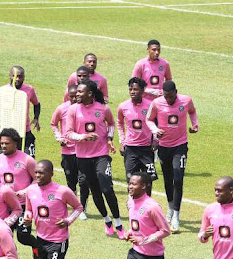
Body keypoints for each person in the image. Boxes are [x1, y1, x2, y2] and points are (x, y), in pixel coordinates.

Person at [65, 80, 124, 238]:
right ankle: (107, 220)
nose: (76, 94)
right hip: (83, 158)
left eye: (80, 92)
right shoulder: (73, 110)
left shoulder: (103, 108)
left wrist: (110, 139)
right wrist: (84, 137)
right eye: (76, 92)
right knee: (95, 191)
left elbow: (111, 123)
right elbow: (68, 133)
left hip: (101, 155)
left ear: (90, 94)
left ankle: (118, 222)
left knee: (107, 188)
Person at [146, 80, 198, 233]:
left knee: (178, 177)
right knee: (168, 179)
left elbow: (192, 112)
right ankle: (169, 208)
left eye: (170, 96)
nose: (168, 99)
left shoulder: (186, 100)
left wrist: (195, 125)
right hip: (164, 146)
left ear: (176, 92)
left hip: (180, 145)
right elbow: (148, 119)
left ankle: (176, 215)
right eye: (166, 96)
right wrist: (155, 130)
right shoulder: (156, 103)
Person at [0, 128, 37, 259]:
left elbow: (38, 180)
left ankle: (36, 244)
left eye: (7, 143)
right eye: (2, 143)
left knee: (23, 236)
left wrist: (24, 192)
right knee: (6, 236)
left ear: (16, 143)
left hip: (24, 205)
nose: (4, 146)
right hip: (6, 206)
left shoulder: (27, 160)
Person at [52, 85, 90, 219]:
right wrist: (59, 137)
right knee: (71, 180)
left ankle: (82, 207)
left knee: (83, 180)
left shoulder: (85, 109)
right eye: (71, 96)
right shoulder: (62, 109)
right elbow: (53, 124)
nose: (74, 98)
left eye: (76, 95)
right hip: (67, 151)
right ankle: (75, 202)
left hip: (83, 150)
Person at [117, 77, 157, 182]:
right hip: (130, 149)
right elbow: (120, 124)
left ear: (143, 90)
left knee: (148, 180)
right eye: (130, 89)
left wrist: (156, 140)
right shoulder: (123, 106)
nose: (132, 92)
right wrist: (122, 142)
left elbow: (157, 122)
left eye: (135, 89)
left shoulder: (151, 106)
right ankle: (132, 199)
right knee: (131, 182)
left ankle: (147, 199)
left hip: (146, 149)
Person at [9, 66, 41, 157]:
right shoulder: (3, 91)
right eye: (15, 76)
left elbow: (36, 104)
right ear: (10, 75)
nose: (17, 79)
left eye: (20, 76)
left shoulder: (29, 90)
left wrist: (36, 118)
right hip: (8, 133)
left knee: (30, 160)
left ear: (24, 77)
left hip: (25, 132)